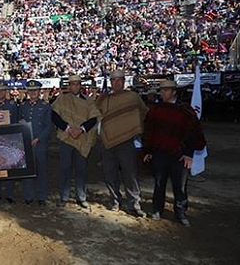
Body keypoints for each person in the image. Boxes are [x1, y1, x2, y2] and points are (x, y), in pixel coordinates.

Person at [143, 80, 207, 227]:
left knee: (180, 186)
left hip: (180, 155)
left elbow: (194, 132)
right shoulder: (156, 110)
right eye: (162, 90)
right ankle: (157, 209)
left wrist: (189, 153)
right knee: (159, 183)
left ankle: (180, 212)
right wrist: (148, 151)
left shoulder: (185, 110)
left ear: (174, 92)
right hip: (160, 153)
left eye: (166, 90)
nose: (163, 93)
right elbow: (149, 131)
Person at [95, 70, 148, 217]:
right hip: (108, 142)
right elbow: (94, 112)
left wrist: (135, 127)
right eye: (113, 80)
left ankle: (134, 203)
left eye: (119, 80)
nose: (116, 83)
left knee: (130, 173)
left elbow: (143, 112)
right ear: (110, 82)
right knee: (110, 173)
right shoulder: (104, 99)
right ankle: (115, 200)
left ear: (124, 81)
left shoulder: (133, 97)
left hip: (127, 141)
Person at [51, 75, 101, 208]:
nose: (75, 86)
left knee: (81, 169)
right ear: (69, 85)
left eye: (77, 84)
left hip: (82, 139)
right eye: (72, 84)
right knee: (64, 168)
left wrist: (81, 129)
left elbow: (94, 118)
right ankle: (64, 197)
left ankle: (81, 197)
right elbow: (54, 116)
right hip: (66, 138)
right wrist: (67, 128)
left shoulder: (89, 101)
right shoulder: (62, 99)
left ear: (80, 85)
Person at [19, 80, 53, 206]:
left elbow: (49, 126)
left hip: (40, 143)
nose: (33, 93)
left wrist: (38, 139)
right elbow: (18, 122)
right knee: (27, 170)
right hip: (26, 143)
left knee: (42, 170)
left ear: (39, 92)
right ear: (27, 92)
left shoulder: (46, 106)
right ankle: (28, 196)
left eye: (35, 90)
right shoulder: (22, 106)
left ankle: (41, 196)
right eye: (30, 90)